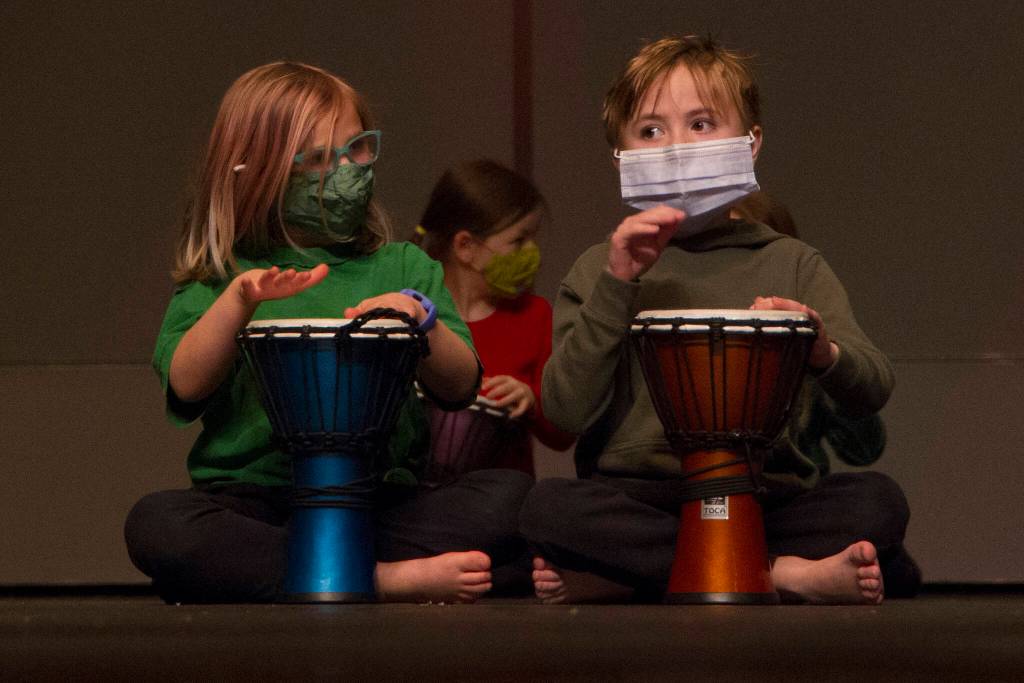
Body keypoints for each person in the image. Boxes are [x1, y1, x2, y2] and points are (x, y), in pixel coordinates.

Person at [519, 35, 921, 604]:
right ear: (620, 156)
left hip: (766, 495)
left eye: (702, 124)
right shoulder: (598, 268)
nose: (677, 147)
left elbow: (873, 388)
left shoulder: (792, 261)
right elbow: (564, 410)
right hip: (644, 496)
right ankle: (775, 573)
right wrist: (616, 284)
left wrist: (823, 349)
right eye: (651, 131)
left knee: (878, 501)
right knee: (547, 508)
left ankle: (631, 577)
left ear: (750, 143)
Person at [124, 61, 533, 604]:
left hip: (380, 501)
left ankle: (314, 571)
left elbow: (460, 386)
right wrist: (238, 301)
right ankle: (377, 578)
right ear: (257, 172)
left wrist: (419, 321)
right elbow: (187, 383)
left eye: (356, 149)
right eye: (317, 158)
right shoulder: (222, 275)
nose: (345, 170)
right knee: (158, 524)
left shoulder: (405, 266)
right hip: (260, 504)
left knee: (513, 497)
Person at [411, 160, 575, 478]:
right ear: (465, 246)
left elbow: (562, 434)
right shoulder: (415, 315)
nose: (532, 251)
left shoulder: (535, 316)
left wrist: (531, 399)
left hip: (506, 498)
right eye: (519, 240)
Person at [735, 192, 888, 477]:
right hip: (713, 483)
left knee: (874, 494)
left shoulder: (807, 340)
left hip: (796, 489)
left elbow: (866, 449)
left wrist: (824, 358)